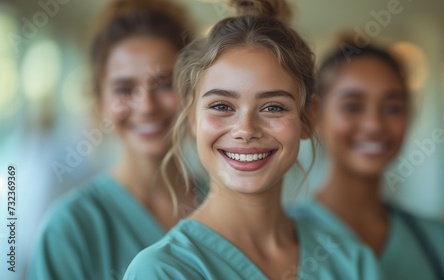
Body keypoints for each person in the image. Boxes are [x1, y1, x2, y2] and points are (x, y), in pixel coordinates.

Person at [124, 1, 384, 279]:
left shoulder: (350, 261)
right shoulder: (163, 270)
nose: (245, 130)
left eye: (273, 107)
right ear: (191, 118)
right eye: (222, 106)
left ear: (309, 118)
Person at [28, 0, 198, 279]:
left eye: (166, 84)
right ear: (99, 102)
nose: (146, 106)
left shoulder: (227, 206)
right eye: (124, 89)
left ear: (193, 91)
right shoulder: (70, 229)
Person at [289, 43, 444, 280]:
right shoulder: (282, 237)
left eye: (392, 108)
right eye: (352, 106)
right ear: (315, 116)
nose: (374, 125)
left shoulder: (438, 242)